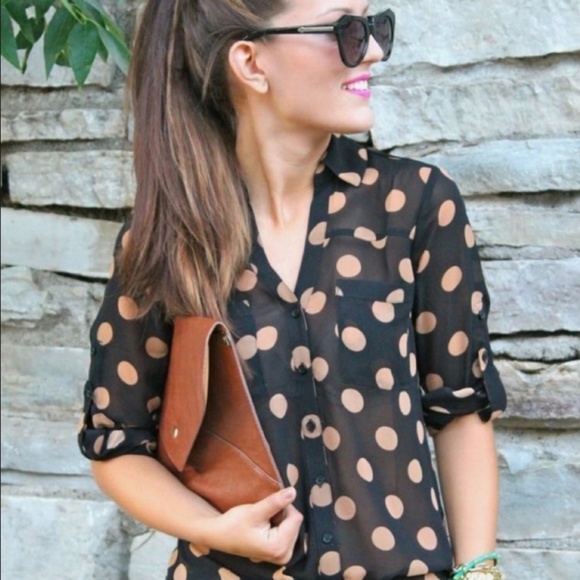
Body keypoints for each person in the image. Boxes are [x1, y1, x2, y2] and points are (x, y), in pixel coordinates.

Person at [77, 1, 507, 579]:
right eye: (343, 29)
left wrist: (478, 571)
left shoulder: (416, 205)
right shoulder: (167, 241)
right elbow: (118, 443)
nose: (373, 50)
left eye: (373, 25)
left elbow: (460, 409)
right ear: (251, 63)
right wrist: (210, 528)